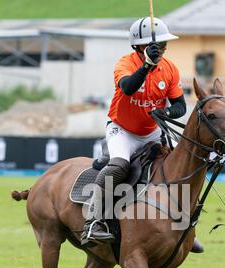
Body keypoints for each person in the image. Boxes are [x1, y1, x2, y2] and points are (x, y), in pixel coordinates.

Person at [81, 17, 203, 253]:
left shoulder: (169, 68)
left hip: (152, 131)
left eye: (165, 45)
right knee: (119, 166)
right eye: (159, 45)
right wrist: (146, 65)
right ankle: (94, 221)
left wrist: (164, 111)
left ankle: (184, 226)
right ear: (140, 45)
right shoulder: (124, 64)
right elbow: (127, 87)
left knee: (179, 166)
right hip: (122, 129)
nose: (164, 48)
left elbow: (180, 106)